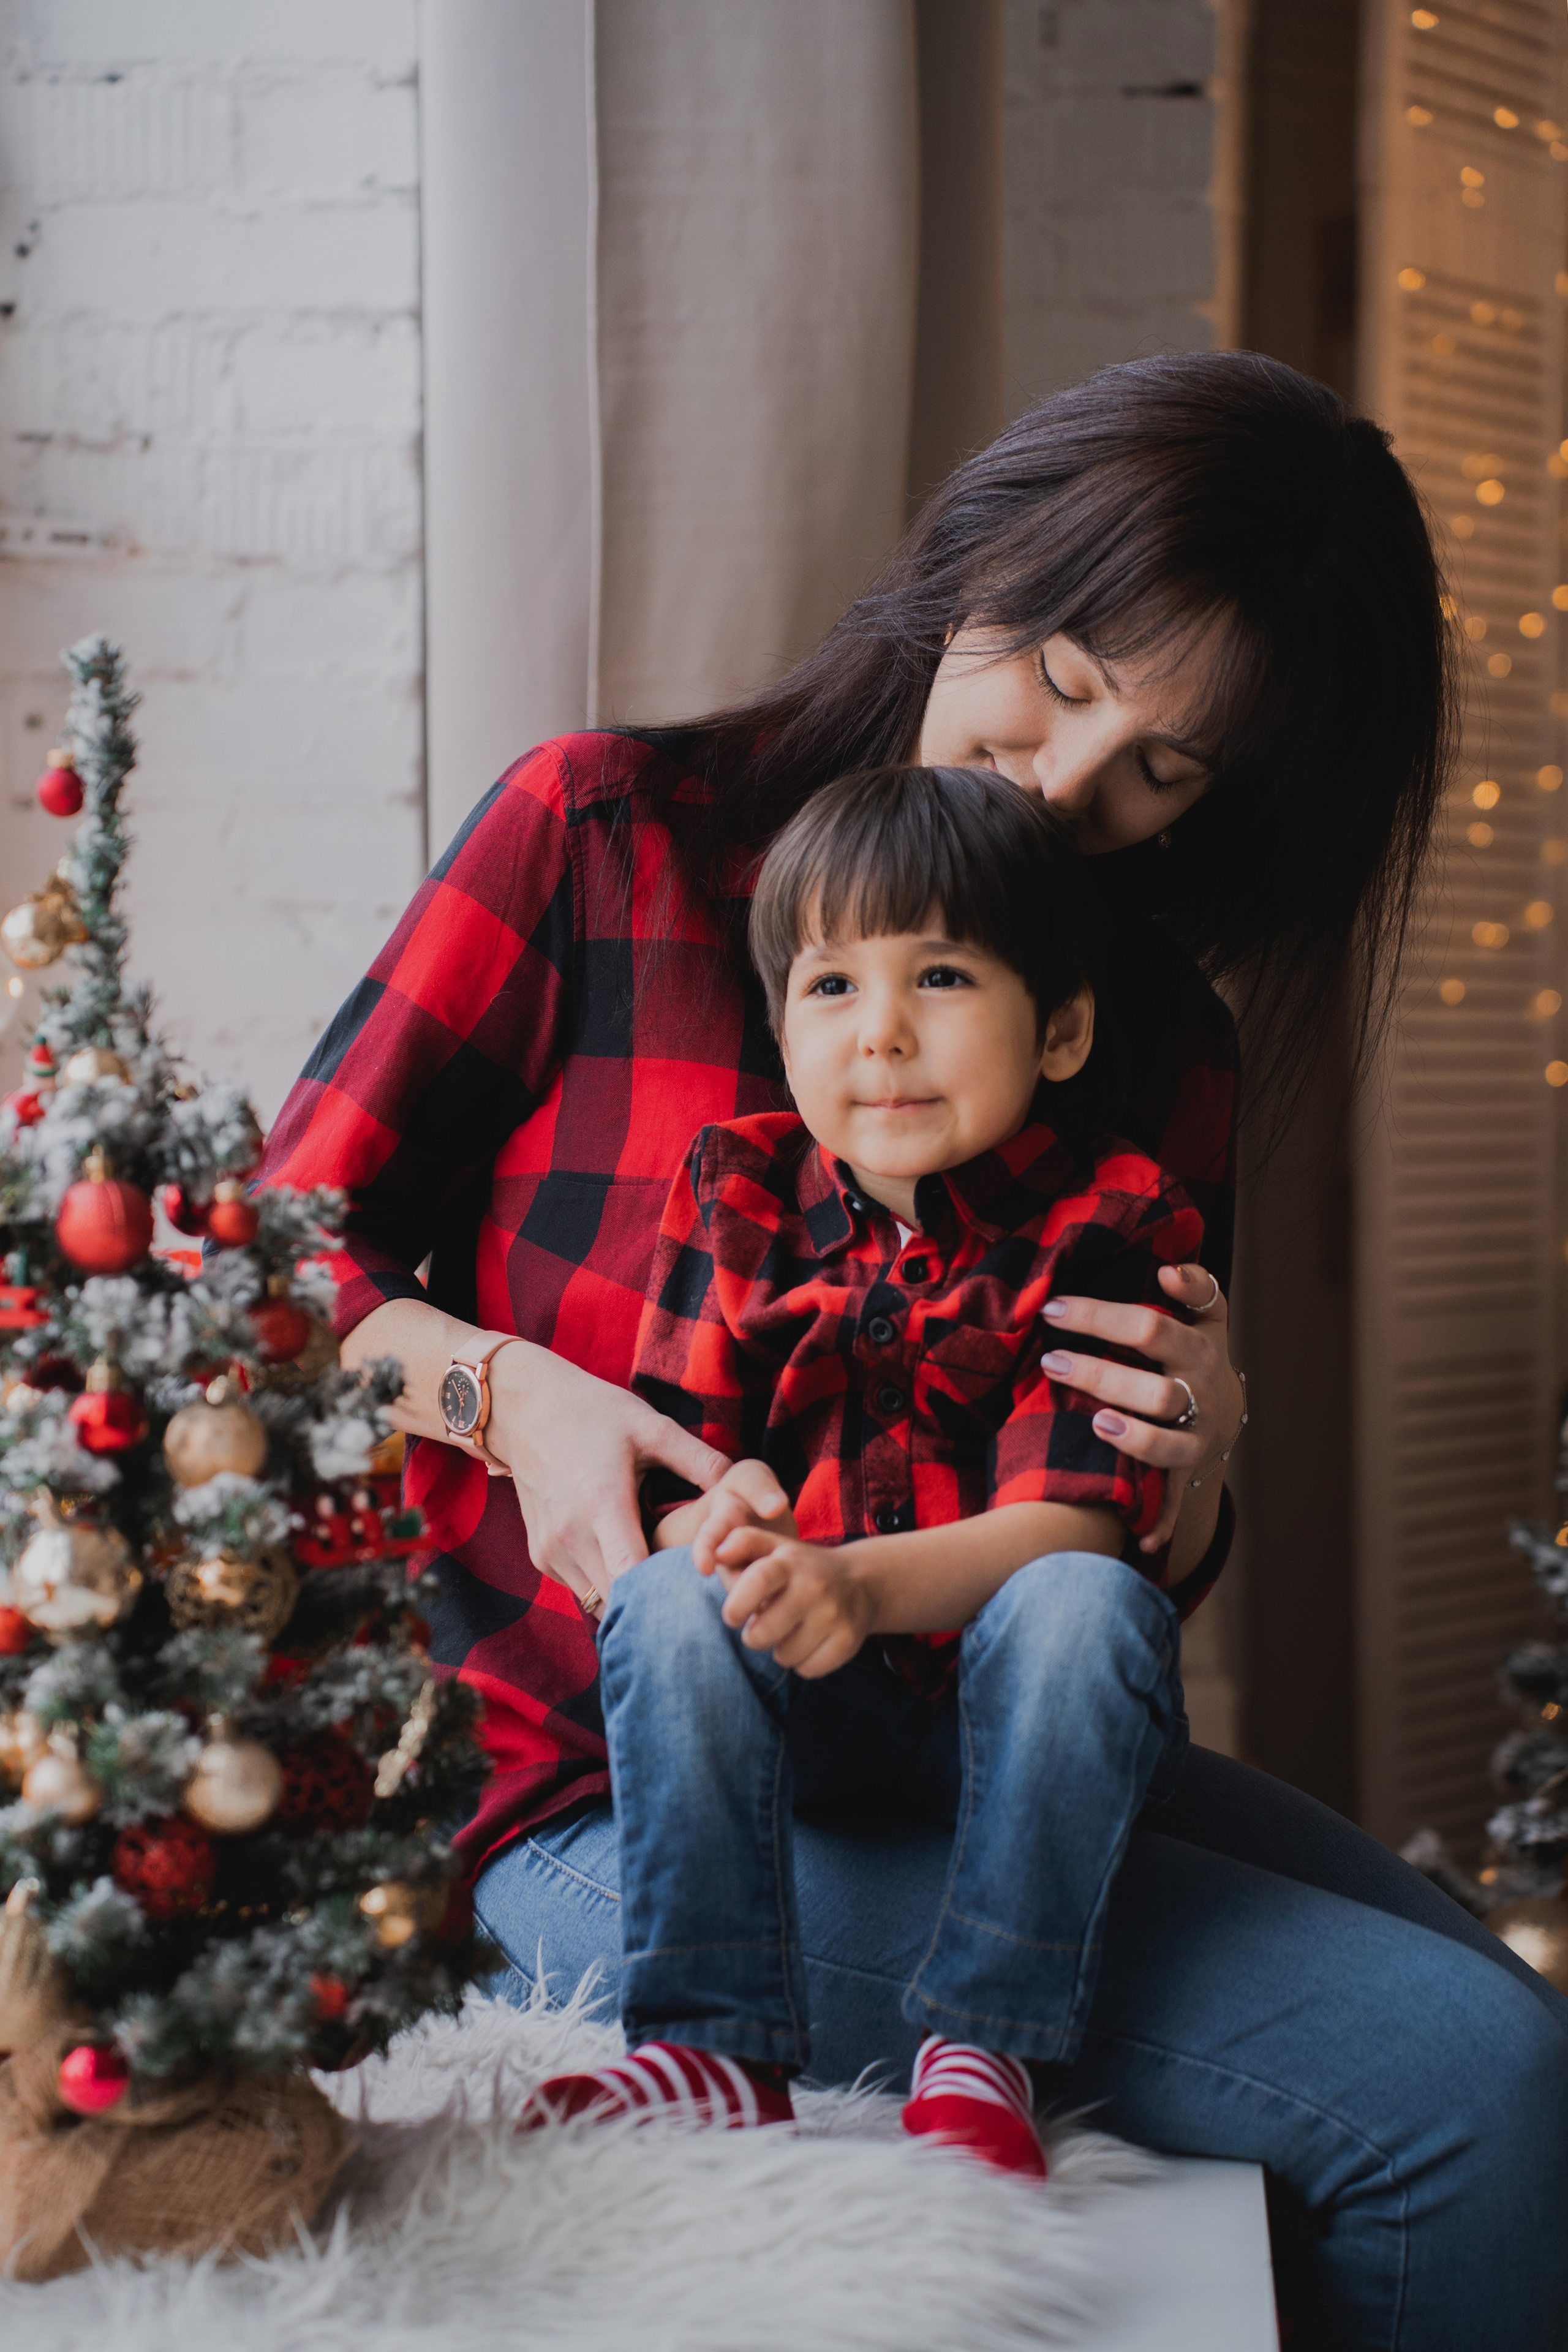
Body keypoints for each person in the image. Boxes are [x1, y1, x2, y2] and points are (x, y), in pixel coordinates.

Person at [262, 352, 1568, 2348]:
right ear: (974, 564)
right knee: (1474, 2099)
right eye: (1054, 675)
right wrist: (505, 1396)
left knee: (1501, 2019)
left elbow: (1111, 1560)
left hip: (980, 1757)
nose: (1062, 789)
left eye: (1161, 770)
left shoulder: (1151, 1041)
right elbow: (255, 1268)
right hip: (600, 1789)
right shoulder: (604, 834)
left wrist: (1196, 1471)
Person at [516, 761, 1216, 2174]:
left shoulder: (1108, 1215)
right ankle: (707, 2050)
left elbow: (1075, 1528)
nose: (882, 1035)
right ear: (780, 1030)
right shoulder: (735, 1190)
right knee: (662, 1600)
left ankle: (985, 2046)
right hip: (808, 1718)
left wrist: (851, 1580)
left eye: (941, 977)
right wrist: (735, 1522)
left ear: (1060, 1029)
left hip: (1007, 1731)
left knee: (1089, 1609)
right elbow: (676, 1469)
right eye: (832, 987)